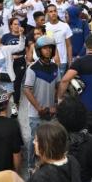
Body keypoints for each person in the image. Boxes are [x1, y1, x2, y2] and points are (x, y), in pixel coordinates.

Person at [58, 34, 92, 140]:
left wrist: (60, 98)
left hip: (82, 108)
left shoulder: (80, 63)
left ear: (86, 46)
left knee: (81, 137)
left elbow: (64, 80)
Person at [24, 36, 59, 171]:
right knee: (35, 140)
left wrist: (55, 105)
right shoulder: (32, 69)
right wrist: (39, 108)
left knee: (50, 139)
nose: (48, 51)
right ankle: (31, 166)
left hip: (50, 112)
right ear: (39, 51)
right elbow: (27, 90)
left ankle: (47, 162)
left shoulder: (55, 67)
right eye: (45, 48)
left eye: (50, 48)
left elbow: (58, 86)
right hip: (36, 113)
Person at [1, 18, 28, 117]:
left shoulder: (23, 36)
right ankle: (3, 108)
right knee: (8, 86)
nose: (17, 26)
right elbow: (1, 51)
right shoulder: (5, 37)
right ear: (11, 25)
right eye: (15, 24)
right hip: (8, 64)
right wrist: (10, 56)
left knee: (16, 85)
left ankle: (15, 109)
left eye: (18, 24)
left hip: (20, 62)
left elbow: (26, 49)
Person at [45, 4, 73, 77]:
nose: (53, 13)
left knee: (60, 85)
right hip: (48, 61)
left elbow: (69, 45)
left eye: (55, 11)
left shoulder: (65, 26)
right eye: (51, 11)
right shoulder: (45, 27)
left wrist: (70, 62)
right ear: (47, 14)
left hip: (62, 61)